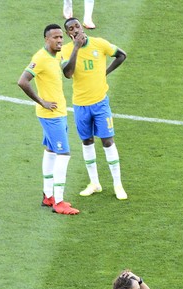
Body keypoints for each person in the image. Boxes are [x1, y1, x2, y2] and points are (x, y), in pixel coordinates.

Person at [60, 18, 127, 200]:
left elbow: (121, 55)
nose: (75, 30)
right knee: (87, 141)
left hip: (100, 103)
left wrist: (105, 72)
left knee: (107, 141)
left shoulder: (99, 43)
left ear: (82, 26)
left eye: (77, 26)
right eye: (70, 29)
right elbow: (67, 73)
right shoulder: (66, 50)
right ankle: (94, 183)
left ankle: (117, 184)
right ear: (68, 34)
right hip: (80, 105)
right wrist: (76, 47)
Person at [17, 24, 81, 215]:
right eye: (55, 38)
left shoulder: (58, 54)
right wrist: (41, 101)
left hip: (59, 112)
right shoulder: (40, 58)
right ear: (46, 39)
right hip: (51, 115)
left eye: (61, 37)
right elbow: (22, 81)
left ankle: (48, 196)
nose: (60, 40)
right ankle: (59, 202)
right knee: (64, 154)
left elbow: (68, 73)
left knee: (51, 151)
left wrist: (76, 47)